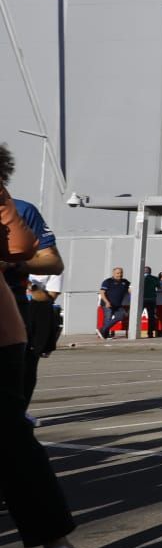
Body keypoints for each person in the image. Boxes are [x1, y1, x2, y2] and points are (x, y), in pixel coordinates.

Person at [1, 197, 84, 548]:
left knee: (11, 436)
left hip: (6, 322)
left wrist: (11, 261)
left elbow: (41, 256)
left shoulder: (14, 206)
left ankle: (55, 544)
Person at [0, 144, 63, 411]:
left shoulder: (22, 210)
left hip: (12, 304)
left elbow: (53, 262)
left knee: (15, 388)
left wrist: (13, 264)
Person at [97, 267, 131, 340]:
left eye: (121, 273)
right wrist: (107, 302)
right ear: (113, 273)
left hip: (118, 305)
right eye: (118, 273)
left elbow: (130, 289)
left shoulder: (125, 282)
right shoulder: (108, 281)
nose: (120, 275)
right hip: (108, 304)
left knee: (121, 316)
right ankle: (105, 335)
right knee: (108, 319)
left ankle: (102, 330)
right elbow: (102, 292)